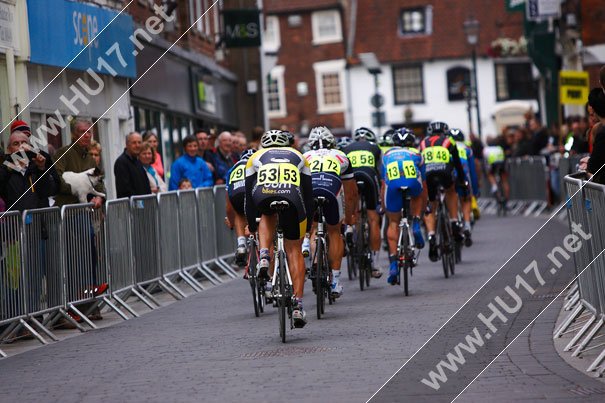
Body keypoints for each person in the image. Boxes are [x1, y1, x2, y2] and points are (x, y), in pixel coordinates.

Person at [245, 130, 313, 328]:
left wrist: (251, 224)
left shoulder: (255, 157)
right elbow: (308, 196)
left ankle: (265, 255)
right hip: (293, 199)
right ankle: (298, 306)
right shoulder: (299, 156)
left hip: (264, 195)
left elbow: (249, 199)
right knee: (294, 251)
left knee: (265, 213)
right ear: (288, 144)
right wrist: (307, 227)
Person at [302, 127, 358, 298]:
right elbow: (350, 193)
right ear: (332, 142)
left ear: (310, 144)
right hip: (330, 192)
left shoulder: (303, 157)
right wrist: (348, 218)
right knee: (334, 232)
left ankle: (307, 243)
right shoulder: (341, 156)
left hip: (310, 193)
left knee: (313, 227)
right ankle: (335, 281)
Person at [380, 128, 427, 285]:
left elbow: (383, 184)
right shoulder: (417, 154)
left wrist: (383, 205)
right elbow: (424, 186)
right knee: (417, 193)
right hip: (412, 182)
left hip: (393, 185)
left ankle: (393, 264)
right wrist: (425, 206)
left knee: (393, 222)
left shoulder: (386, 155)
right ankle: (415, 223)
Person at [419, 121, 467, 262]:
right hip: (444, 172)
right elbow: (457, 163)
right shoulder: (448, 141)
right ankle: (453, 221)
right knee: (451, 191)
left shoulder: (422, 143)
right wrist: (463, 181)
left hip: (428, 174)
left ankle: (432, 235)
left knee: (430, 203)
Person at [342, 127, 384, 278]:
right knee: (373, 218)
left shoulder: (346, 148)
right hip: (369, 177)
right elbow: (380, 172)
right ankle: (375, 262)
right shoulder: (375, 147)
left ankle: (351, 228)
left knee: (354, 208)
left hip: (352, 177)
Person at [54, 119, 105, 208]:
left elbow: (99, 183)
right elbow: (56, 178)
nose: (86, 135)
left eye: (89, 132)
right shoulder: (63, 153)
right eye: (82, 132)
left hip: (86, 211)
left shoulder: (90, 159)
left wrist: (100, 197)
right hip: (68, 210)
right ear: (74, 134)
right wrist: (75, 189)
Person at [0, 131, 58, 211]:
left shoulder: (37, 166)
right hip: (14, 221)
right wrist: (10, 166)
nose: (21, 147)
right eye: (16, 144)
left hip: (38, 220)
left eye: (24, 143)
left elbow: (48, 191)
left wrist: (41, 168)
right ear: (9, 150)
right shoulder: (5, 169)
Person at [9, 119, 60, 207]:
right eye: (17, 142)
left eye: (25, 138)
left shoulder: (42, 156)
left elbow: (55, 186)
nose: (22, 145)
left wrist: (41, 168)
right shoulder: (9, 162)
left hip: (41, 209)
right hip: (18, 213)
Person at [225, 148, 256, 266]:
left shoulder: (233, 169)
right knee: (265, 215)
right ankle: (263, 251)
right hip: (253, 191)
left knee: (238, 212)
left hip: (237, 193)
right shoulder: (259, 163)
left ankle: (241, 244)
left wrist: (231, 222)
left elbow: (228, 206)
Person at [449, 128, 479, 245]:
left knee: (450, 198)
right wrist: (475, 191)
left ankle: (453, 220)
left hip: (450, 177)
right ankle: (467, 224)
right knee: (466, 200)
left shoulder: (446, 147)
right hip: (463, 177)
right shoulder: (467, 149)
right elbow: (472, 172)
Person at [114, 132, 152, 198]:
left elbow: (146, 186)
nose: (137, 145)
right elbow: (125, 189)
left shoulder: (138, 161)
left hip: (144, 205)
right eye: (134, 143)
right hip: (131, 206)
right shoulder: (121, 162)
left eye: (139, 142)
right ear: (127, 144)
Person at [579, 87, 605, 184]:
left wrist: (590, 163)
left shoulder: (600, 131)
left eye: (593, 114)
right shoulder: (593, 131)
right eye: (590, 114)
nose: (592, 117)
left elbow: (595, 164)